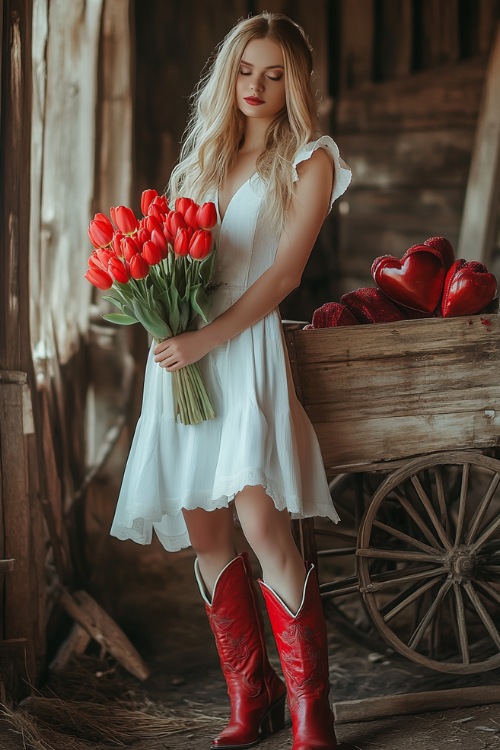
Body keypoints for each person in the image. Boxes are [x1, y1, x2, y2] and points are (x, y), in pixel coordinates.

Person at [111, 11, 351, 750]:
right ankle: (254, 698)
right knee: (206, 530)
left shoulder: (310, 158)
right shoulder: (201, 161)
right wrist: (163, 321)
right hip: (183, 355)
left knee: (260, 523)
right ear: (229, 75)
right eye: (247, 70)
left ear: (296, 82)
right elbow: (172, 260)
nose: (258, 86)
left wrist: (204, 337)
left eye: (276, 74)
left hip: (240, 350)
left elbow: (285, 274)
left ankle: (314, 708)